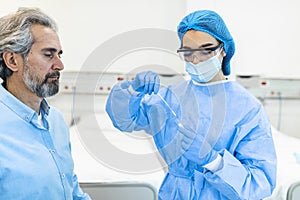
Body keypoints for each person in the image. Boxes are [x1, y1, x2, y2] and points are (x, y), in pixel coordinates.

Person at [106, 10, 277, 200]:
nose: (196, 60)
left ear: (224, 49)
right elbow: (125, 120)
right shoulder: (170, 98)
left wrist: (213, 161)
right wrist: (132, 91)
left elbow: (259, 183)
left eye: (206, 50)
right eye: (188, 53)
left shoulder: (247, 109)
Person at [0, 8, 91, 199]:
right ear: (12, 60)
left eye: (59, 55)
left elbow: (71, 190)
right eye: (49, 55)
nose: (60, 65)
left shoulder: (56, 121)